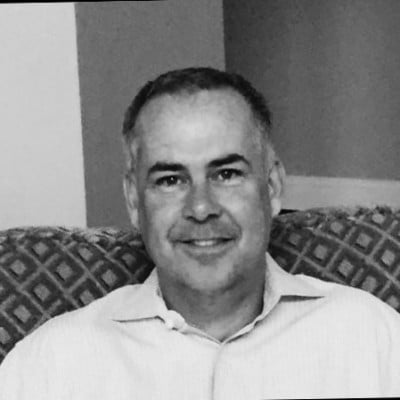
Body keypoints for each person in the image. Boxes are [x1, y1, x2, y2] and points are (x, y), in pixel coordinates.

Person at [1, 67, 400, 399]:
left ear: (273, 186)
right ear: (134, 200)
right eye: (170, 180)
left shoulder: (373, 339)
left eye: (226, 174)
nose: (201, 207)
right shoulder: (49, 366)